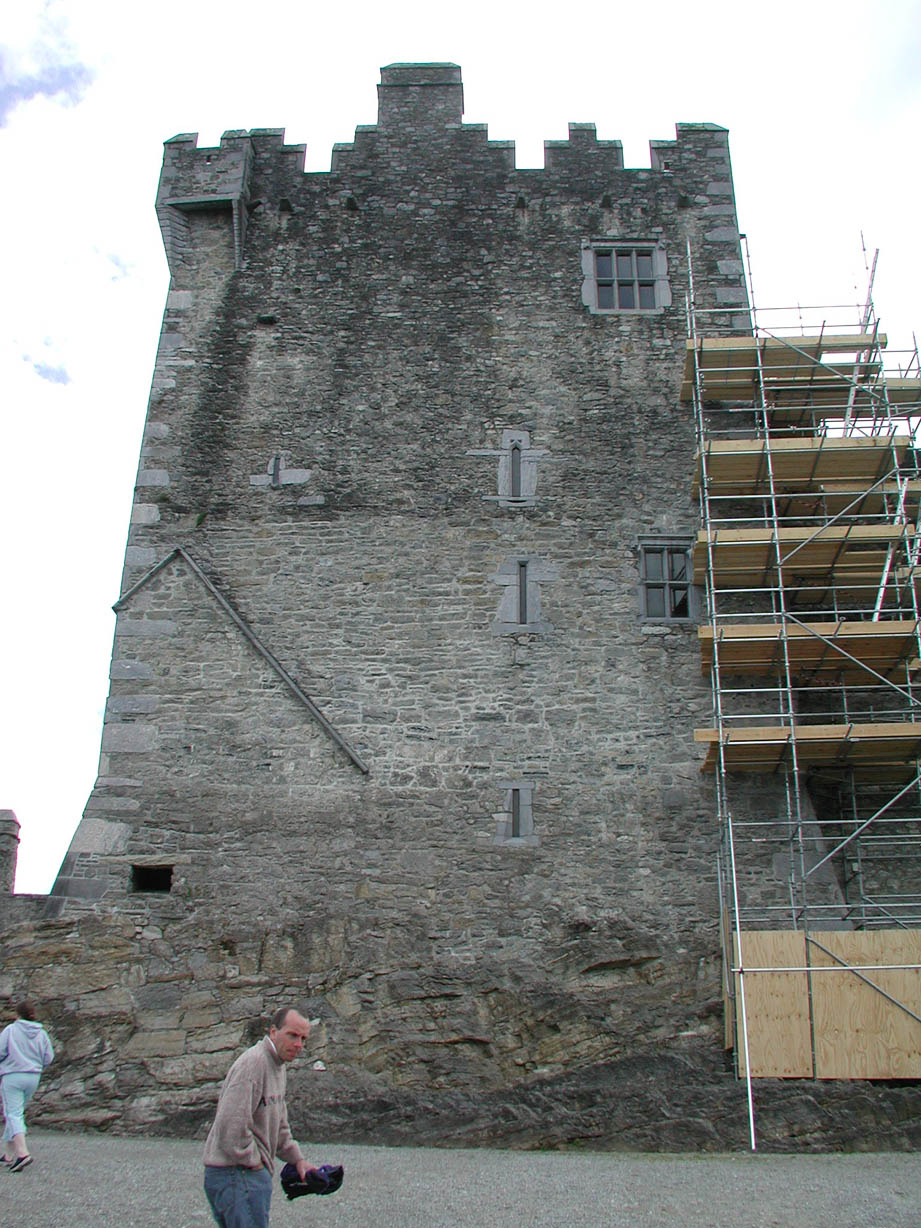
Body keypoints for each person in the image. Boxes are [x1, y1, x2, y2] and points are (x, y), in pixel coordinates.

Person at [203, 1006, 317, 1228]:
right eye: (292, 1035)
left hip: (244, 1175)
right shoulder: (254, 1063)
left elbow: (279, 1124)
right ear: (273, 1032)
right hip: (236, 1174)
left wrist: (298, 1160)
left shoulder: (278, 1066)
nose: (298, 1045)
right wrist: (256, 1164)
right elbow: (230, 1126)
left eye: (303, 1039)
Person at [0, 997, 54, 1173]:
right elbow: (48, 1057)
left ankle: (23, 1154)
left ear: (17, 1014)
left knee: (13, 1114)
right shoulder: (41, 1033)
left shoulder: (11, 1030)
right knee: (16, 1113)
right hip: (33, 1076)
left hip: (13, 1075)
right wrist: (36, 1066)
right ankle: (8, 1154)